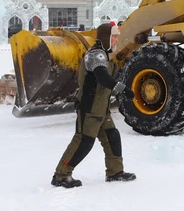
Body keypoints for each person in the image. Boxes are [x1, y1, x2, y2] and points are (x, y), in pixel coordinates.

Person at [52, 22, 137, 188]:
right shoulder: (95, 55)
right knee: (84, 142)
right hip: (89, 107)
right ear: (106, 38)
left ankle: (115, 172)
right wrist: (123, 90)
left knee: (112, 136)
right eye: (114, 37)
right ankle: (61, 175)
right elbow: (103, 77)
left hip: (101, 108)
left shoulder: (105, 55)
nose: (116, 40)